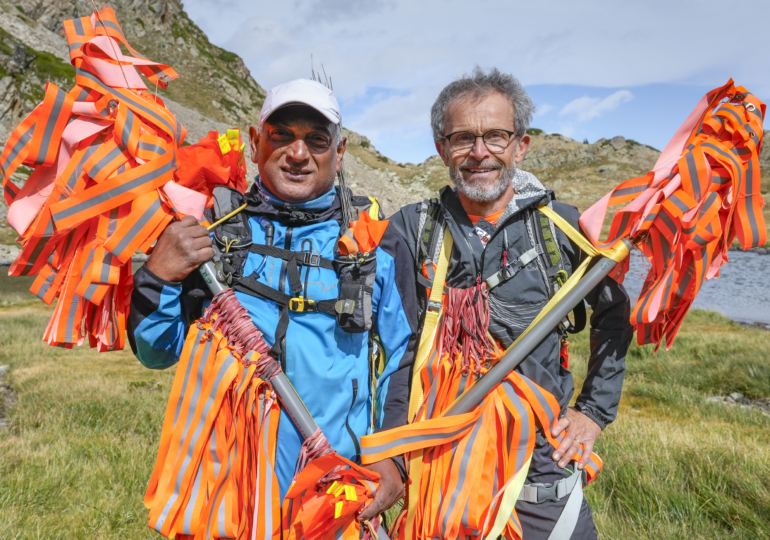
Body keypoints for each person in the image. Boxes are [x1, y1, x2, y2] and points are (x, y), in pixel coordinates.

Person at [127, 78, 416, 523]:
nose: (298, 154)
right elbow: (155, 352)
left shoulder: (374, 240)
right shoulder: (212, 229)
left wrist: (392, 457)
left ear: (339, 154)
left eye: (317, 141)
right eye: (282, 135)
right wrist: (157, 276)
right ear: (255, 141)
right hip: (226, 497)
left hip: (331, 492)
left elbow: (403, 357)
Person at [389, 68, 633, 539]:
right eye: (463, 138)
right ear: (442, 149)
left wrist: (593, 413)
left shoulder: (562, 228)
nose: (480, 152)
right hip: (439, 466)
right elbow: (389, 344)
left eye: (496, 136)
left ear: (520, 145)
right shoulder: (410, 230)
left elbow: (616, 317)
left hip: (541, 471)